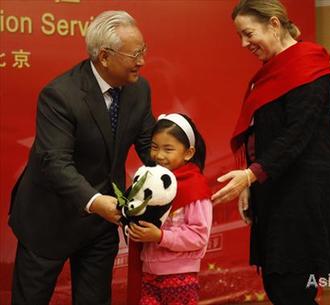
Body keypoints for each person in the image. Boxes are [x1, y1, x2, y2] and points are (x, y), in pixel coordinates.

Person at [211, 0, 330, 303]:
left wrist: (250, 175)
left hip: (303, 198)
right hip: (274, 192)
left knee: (292, 291)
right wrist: (251, 181)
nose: (243, 43)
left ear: (274, 24)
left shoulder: (309, 65)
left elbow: (296, 135)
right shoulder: (273, 71)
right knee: (279, 288)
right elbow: (259, 133)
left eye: (248, 34)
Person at [8, 10, 155, 305]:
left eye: (144, 51)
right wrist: (95, 202)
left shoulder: (138, 89)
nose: (142, 60)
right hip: (48, 218)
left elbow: (149, 146)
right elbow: (55, 162)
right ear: (104, 56)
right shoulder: (60, 95)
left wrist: (180, 167)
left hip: (101, 224)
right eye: (135, 53)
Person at [126, 113, 213, 305]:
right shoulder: (149, 181)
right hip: (148, 274)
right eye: (154, 147)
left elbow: (199, 236)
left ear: (188, 153)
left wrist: (160, 236)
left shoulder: (195, 186)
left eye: (168, 149)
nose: (159, 155)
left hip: (180, 276)